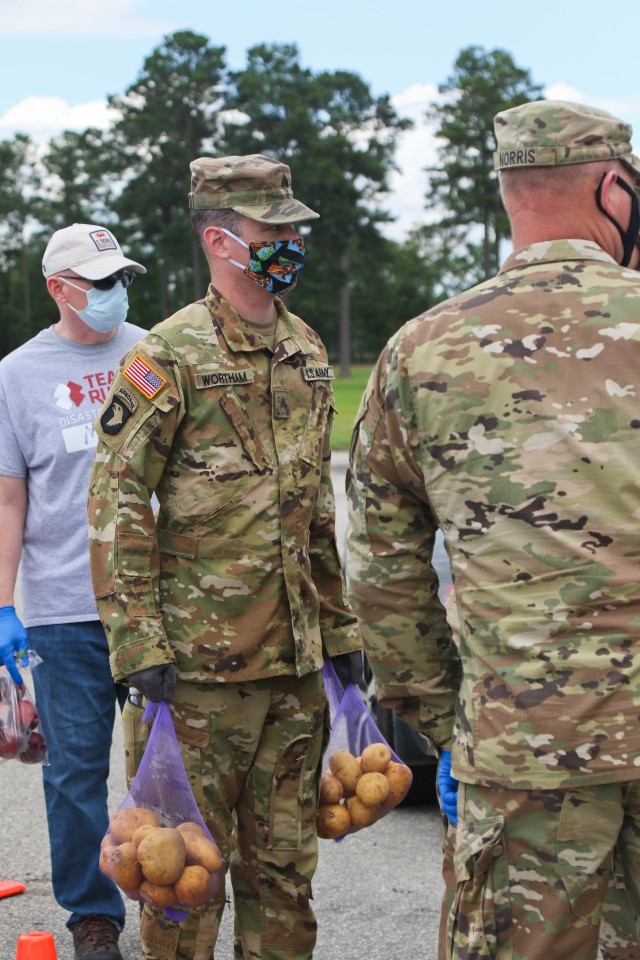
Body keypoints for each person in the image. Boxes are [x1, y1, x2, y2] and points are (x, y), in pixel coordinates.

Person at [346, 99, 640, 960]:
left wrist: (451, 719)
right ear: (617, 191)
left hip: (518, 754)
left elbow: (382, 573)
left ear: (511, 195)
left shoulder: (422, 351)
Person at [87, 154, 362, 960]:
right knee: (183, 888)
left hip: (291, 674)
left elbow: (314, 509)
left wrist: (339, 633)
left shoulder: (307, 352)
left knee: (285, 878)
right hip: (196, 676)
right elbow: (116, 500)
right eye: (273, 232)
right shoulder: (167, 354)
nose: (289, 244)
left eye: (294, 231)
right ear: (220, 238)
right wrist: (137, 642)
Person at [0, 223, 148, 959]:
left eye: (121, 278)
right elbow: (8, 500)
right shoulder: (16, 375)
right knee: (75, 774)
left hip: (156, 606)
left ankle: (178, 895)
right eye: (98, 283)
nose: (113, 295)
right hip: (64, 611)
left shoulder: (154, 353)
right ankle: (94, 917)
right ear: (59, 288)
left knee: (171, 764)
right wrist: (3, 605)